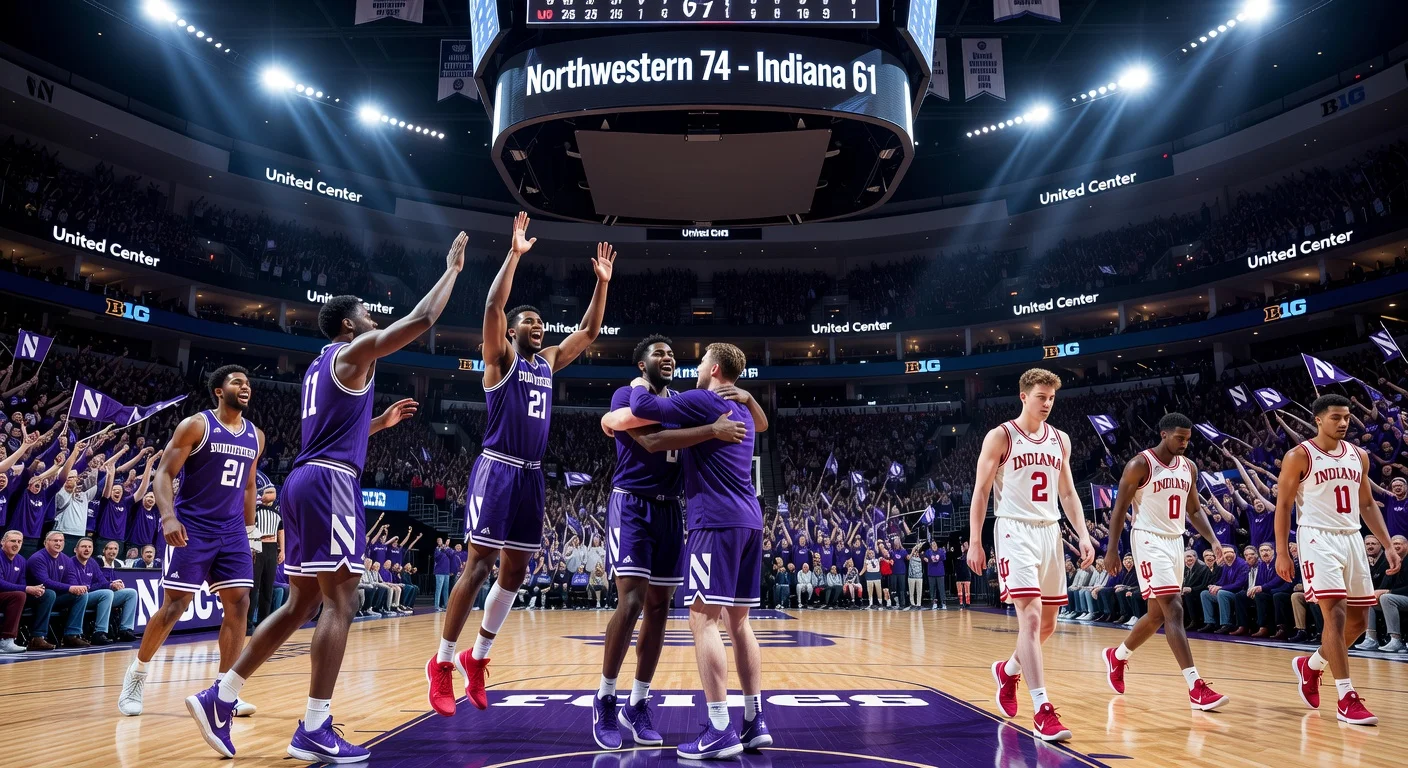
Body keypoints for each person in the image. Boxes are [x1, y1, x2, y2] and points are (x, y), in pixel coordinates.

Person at [207, 230, 464, 763]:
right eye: (369, 313)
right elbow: (420, 321)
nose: (375, 319)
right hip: (330, 483)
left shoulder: (320, 365)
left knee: (303, 600)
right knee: (343, 599)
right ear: (349, 324)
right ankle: (315, 726)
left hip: (305, 478)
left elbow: (330, 432)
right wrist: (453, 271)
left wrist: (378, 423)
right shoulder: (355, 350)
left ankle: (222, 694)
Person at [429, 215, 614, 721]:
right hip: (497, 468)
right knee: (479, 565)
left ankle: (478, 657)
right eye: (529, 322)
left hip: (532, 474)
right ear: (512, 332)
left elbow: (590, 330)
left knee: (515, 571)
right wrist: (514, 255)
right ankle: (443, 663)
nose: (539, 327)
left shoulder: (549, 361)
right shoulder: (500, 359)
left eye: (541, 323)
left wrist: (600, 285)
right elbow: (492, 305)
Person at [588, 334, 755, 750]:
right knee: (629, 603)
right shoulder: (626, 392)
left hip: (670, 509)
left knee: (660, 609)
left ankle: (637, 703)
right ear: (640, 362)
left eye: (672, 353)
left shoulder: (686, 399)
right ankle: (605, 698)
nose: (669, 357)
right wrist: (612, 420)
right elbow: (646, 438)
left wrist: (732, 410)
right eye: (659, 353)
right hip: (632, 504)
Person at [120, 366, 264, 728]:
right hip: (193, 526)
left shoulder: (256, 436)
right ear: (218, 390)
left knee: (239, 604)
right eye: (237, 382)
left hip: (232, 530)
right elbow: (164, 474)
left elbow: (249, 488)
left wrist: (249, 532)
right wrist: (168, 517)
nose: (245, 387)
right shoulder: (196, 425)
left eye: (247, 383)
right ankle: (137, 673)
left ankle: (224, 691)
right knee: (175, 607)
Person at [968, 368, 1093, 742]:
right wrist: (976, 540)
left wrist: (1083, 536)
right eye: (1041, 397)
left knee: (1049, 624)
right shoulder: (1001, 435)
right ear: (1024, 396)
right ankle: (1042, 709)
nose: (1047, 404)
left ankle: (1008, 671)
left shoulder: (1061, 439)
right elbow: (981, 490)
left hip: (1050, 531)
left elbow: (1068, 494)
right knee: (1032, 618)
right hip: (1013, 528)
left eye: (1052, 398)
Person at [1277, 394, 1400, 726]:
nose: (1343, 422)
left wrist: (1387, 544)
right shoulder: (1298, 455)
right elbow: (1284, 506)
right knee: (1336, 615)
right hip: (1317, 537)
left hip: (1352, 537)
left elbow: (1368, 504)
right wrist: (1281, 551)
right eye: (1336, 417)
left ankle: (1312, 665)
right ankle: (1346, 697)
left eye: (1346, 417)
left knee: (1359, 623)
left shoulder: (1359, 456)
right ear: (1318, 419)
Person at [1100, 413, 1229, 710]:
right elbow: (1119, 510)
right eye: (1179, 438)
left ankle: (1117, 656)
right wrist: (1112, 550)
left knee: (1157, 615)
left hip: (1175, 540)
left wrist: (1213, 540)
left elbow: (1194, 511)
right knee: (1174, 607)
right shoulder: (1140, 464)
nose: (1184, 443)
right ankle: (1195, 686)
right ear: (1163, 434)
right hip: (1147, 539)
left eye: (1187, 439)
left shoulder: (1190, 467)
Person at [24, 531, 90, 649]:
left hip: (55, 597)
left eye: (61, 541)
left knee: (81, 595)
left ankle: (71, 635)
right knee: (49, 593)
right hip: (34, 597)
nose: (58, 543)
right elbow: (45, 582)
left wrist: (76, 588)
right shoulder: (38, 558)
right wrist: (70, 588)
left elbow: (71, 579)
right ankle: (37, 637)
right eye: (55, 540)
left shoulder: (65, 559)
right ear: (46, 542)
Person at [72, 537, 138, 644]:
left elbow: (102, 582)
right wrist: (105, 586)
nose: (87, 549)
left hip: (95, 595)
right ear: (75, 549)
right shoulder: (71, 563)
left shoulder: (92, 562)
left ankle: (125, 630)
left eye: (89, 547)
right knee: (107, 593)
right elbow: (77, 586)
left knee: (131, 593)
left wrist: (112, 584)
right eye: (84, 547)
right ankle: (99, 633)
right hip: (80, 596)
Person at [250, 479, 283, 630]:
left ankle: (264, 621)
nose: (272, 494)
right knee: (254, 587)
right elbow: (251, 530)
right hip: (259, 547)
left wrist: (283, 550)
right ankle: (248, 621)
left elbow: (280, 532)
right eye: (268, 492)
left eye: (272, 492)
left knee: (267, 587)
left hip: (271, 548)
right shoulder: (254, 511)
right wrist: (253, 548)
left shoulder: (277, 513)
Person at [1, 530, 31, 653]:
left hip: (7, 596)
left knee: (43, 595)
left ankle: (37, 636)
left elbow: (22, 583)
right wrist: (25, 589)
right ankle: (6, 639)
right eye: (13, 541)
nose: (16, 544)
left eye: (19, 542)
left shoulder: (21, 560)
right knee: (20, 595)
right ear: (2, 542)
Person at [924, 541, 947, 610]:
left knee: (941, 589)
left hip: (940, 573)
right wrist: (925, 558)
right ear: (931, 546)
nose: (934, 545)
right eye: (932, 544)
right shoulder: (928, 551)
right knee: (932, 589)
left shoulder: (940, 551)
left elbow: (944, 557)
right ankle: (934, 603)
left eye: (935, 544)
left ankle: (943, 603)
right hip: (931, 573)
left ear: (937, 545)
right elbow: (923, 556)